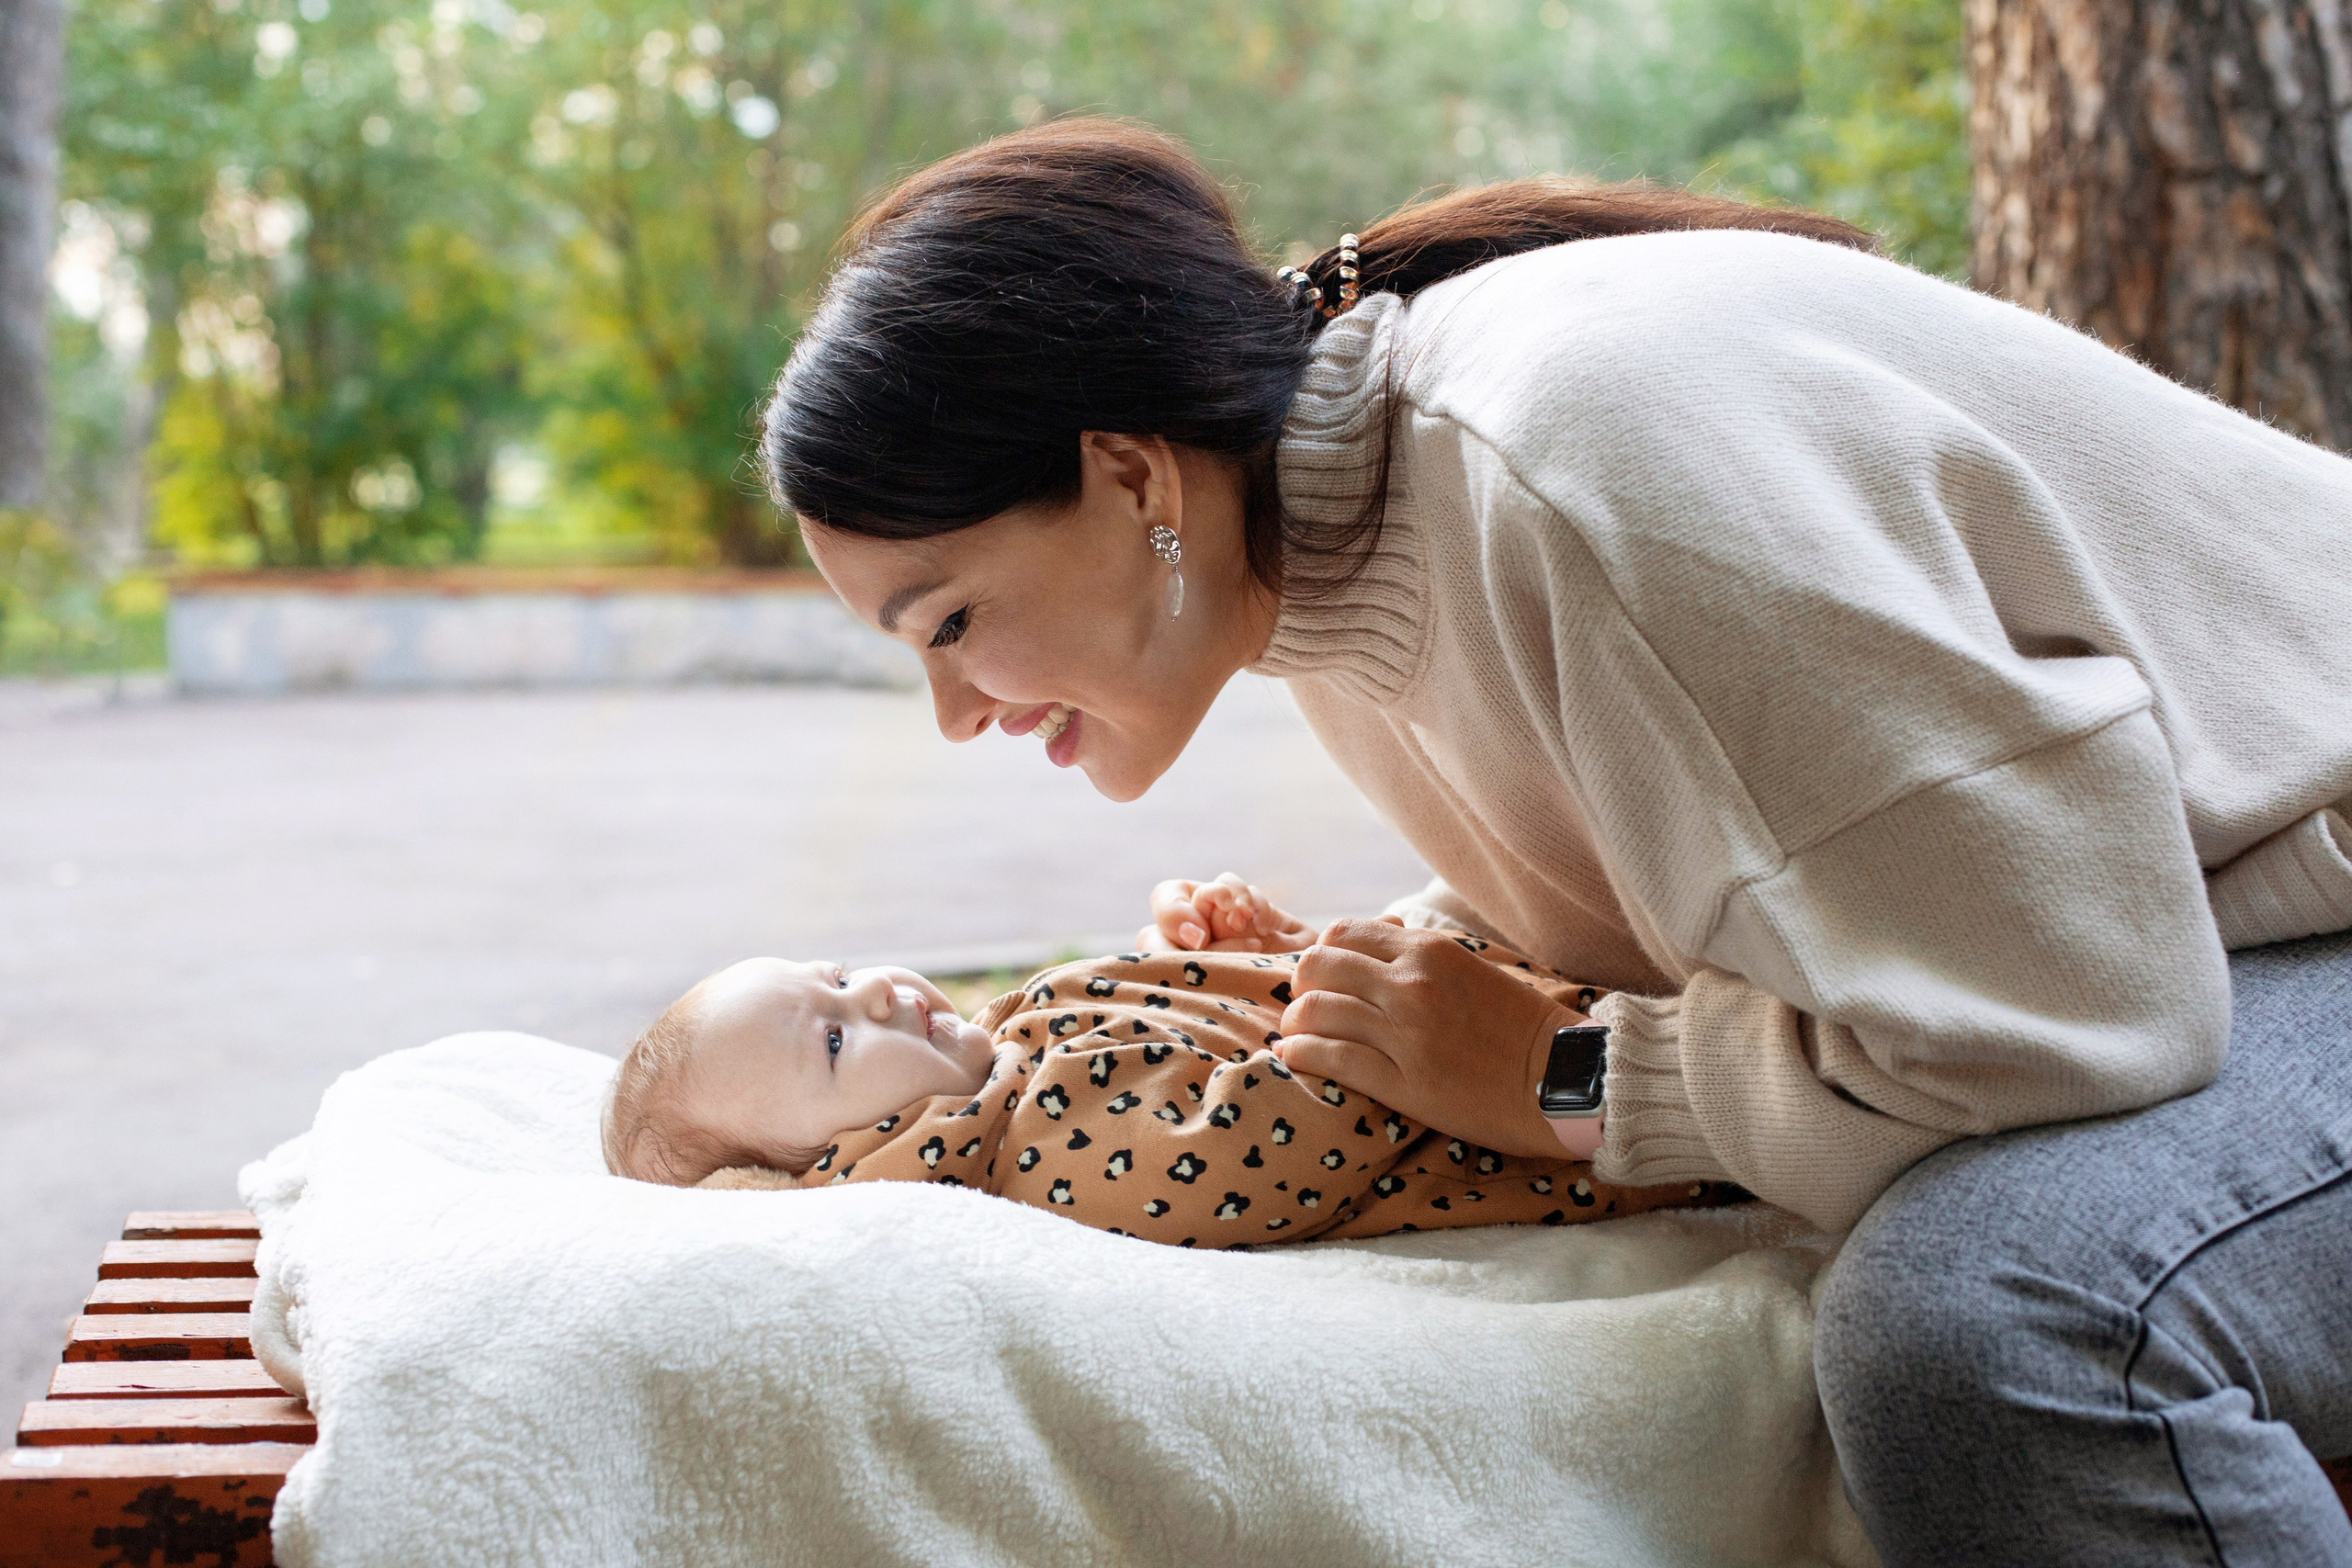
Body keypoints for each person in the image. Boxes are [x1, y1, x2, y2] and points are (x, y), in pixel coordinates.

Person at [756, 118, 2352, 1562]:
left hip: (2278, 922)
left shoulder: (1577, 465)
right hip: (2223, 920)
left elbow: (2080, 1011)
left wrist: (1565, 1078)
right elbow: (1717, 847)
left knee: (1993, 1319)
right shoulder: (1333, 570)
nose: (956, 711)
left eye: (951, 619)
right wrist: (1384, 973)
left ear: (1127, 475)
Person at [599, 903, 1735, 1246]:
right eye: (837, 1042)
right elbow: (1261, 1157)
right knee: (1733, 1060)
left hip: (1537, 1007)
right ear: (835, 1169)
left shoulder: (1012, 1034)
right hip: (1572, 1128)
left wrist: (1265, 946)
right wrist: (1351, 1013)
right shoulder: (1037, 1159)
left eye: (836, 974)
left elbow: (1202, 1012)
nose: (880, 995)